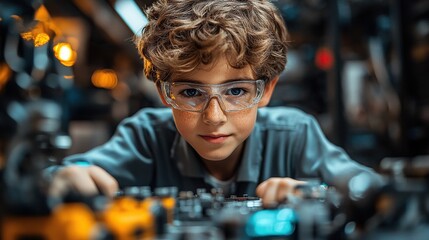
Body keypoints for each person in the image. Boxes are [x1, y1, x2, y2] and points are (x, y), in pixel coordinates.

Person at [48, 0, 380, 207]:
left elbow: (374, 193)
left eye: (236, 91)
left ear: (265, 91)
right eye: (191, 93)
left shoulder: (295, 136)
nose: (214, 116)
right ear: (165, 93)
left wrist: (317, 193)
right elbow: (63, 176)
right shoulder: (145, 137)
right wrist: (63, 178)